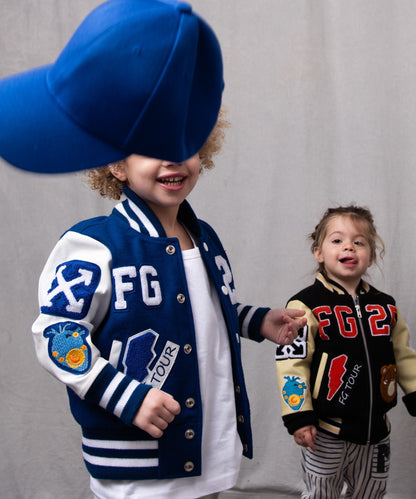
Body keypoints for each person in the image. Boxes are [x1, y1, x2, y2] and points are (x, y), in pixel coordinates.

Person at [20, 2, 307, 498]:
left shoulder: (206, 237)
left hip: (210, 447)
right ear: (115, 163)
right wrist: (126, 397)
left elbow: (203, 310)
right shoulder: (92, 245)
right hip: (139, 459)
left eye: (184, 140)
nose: (173, 157)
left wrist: (257, 321)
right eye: (150, 144)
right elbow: (56, 334)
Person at [275, 205, 416, 498]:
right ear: (318, 252)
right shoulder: (305, 305)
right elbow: (292, 363)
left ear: (370, 255)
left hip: (377, 431)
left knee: (372, 492)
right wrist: (299, 415)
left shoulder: (385, 306)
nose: (349, 246)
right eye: (337, 240)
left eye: (359, 242)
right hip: (325, 431)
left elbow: (402, 354)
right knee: (321, 493)